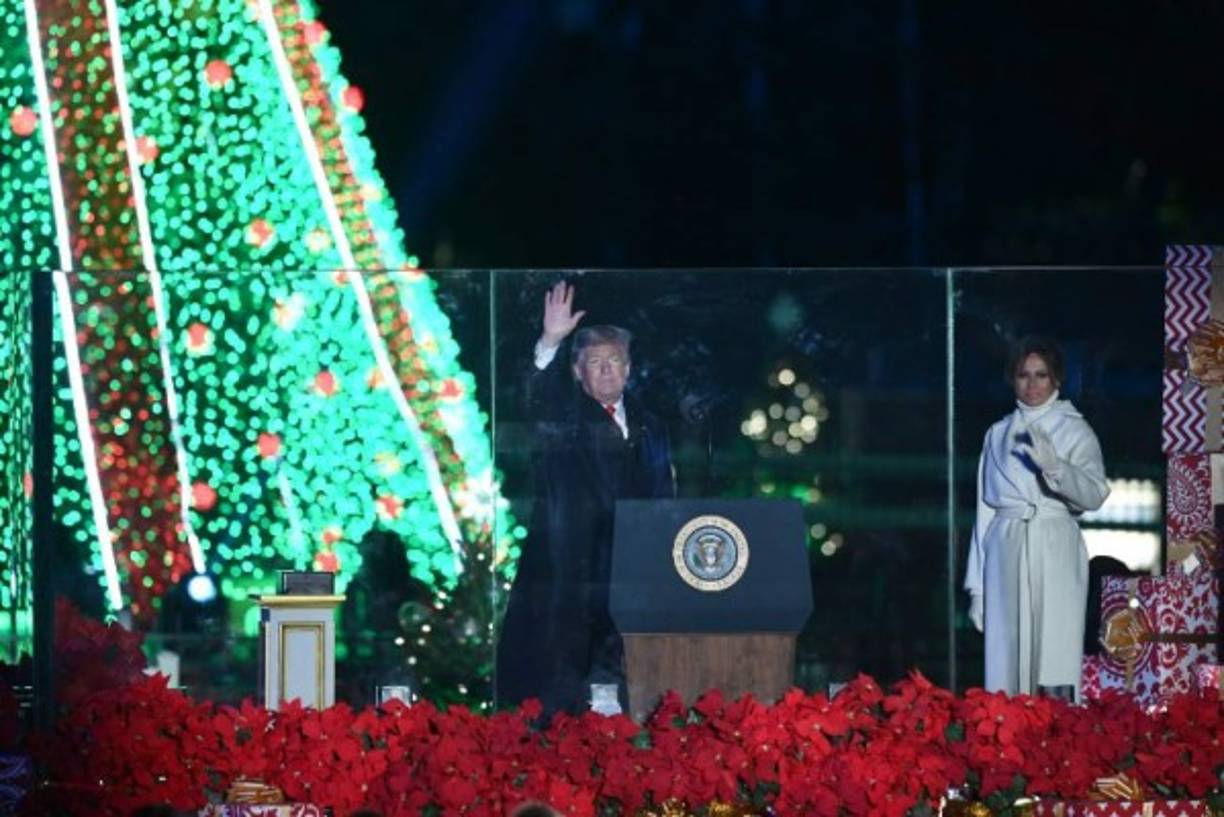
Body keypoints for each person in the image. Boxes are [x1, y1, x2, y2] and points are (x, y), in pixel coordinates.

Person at [496, 281, 675, 716]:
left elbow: (665, 498)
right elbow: (533, 397)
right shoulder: (563, 420)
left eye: (615, 361)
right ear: (579, 373)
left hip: (633, 584)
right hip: (568, 581)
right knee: (559, 702)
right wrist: (550, 342)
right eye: (596, 363)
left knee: (628, 700)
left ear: (630, 368)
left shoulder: (653, 427)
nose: (607, 371)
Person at [964, 336, 1109, 700]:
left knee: (1053, 647)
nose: (1032, 384)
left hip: (1054, 540)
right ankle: (1006, 734)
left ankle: (1055, 736)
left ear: (1056, 379)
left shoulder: (1075, 429)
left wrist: (1057, 469)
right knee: (1007, 652)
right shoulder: (996, 434)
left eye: (1041, 375)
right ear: (1012, 379)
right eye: (1023, 375)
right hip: (1006, 544)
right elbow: (985, 514)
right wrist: (977, 589)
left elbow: (1094, 494)